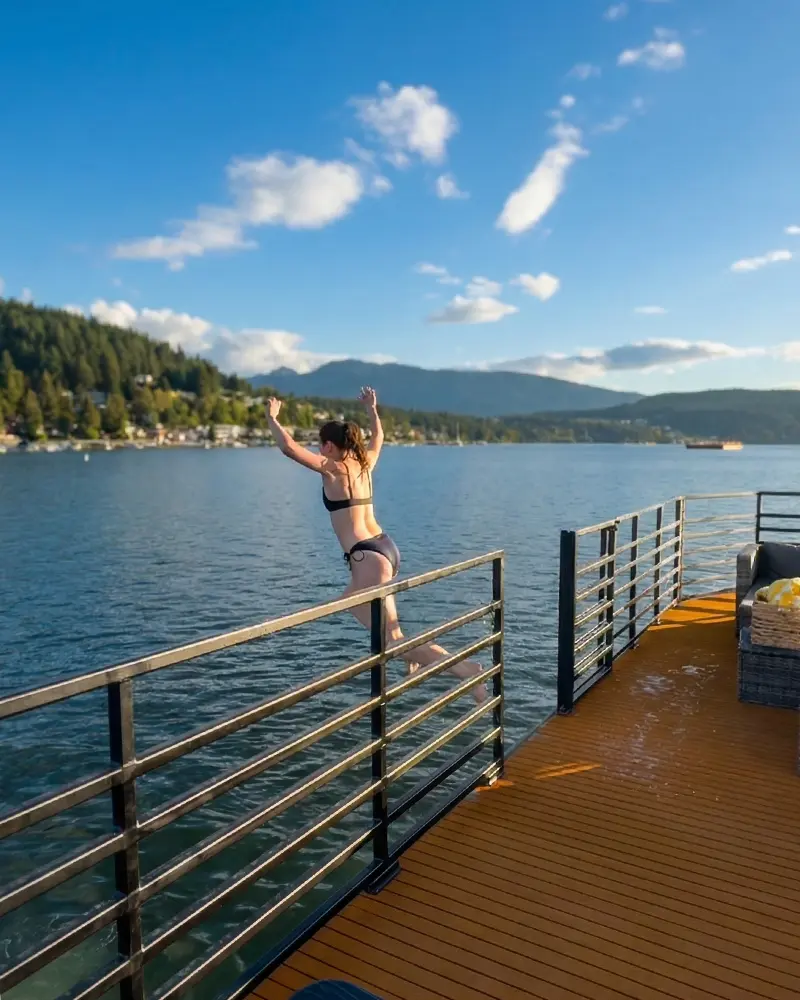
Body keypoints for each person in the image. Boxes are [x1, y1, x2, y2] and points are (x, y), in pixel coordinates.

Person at [266, 387, 486, 702]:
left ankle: (467, 670)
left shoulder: (334, 468)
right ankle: (415, 655)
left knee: (390, 641)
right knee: (376, 622)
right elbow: (378, 437)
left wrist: (272, 418)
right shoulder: (365, 463)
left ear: (330, 445)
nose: (318, 448)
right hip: (384, 549)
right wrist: (372, 409)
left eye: (321, 444)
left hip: (367, 557)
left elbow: (288, 447)